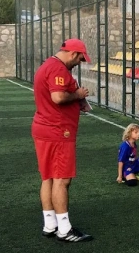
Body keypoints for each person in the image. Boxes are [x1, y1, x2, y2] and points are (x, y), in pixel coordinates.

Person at [31, 38, 93, 242]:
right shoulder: (58, 69)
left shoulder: (48, 65)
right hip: (58, 131)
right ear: (73, 54)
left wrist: (77, 101)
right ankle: (65, 229)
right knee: (62, 179)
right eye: (80, 59)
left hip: (45, 127)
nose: (79, 64)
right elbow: (58, 97)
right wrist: (78, 94)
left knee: (48, 177)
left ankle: (50, 224)